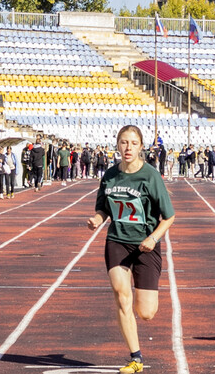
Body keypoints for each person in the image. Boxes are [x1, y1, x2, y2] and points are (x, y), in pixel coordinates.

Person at [87, 125, 176, 374]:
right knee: (121, 295)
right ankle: (136, 358)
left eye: (133, 143)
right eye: (124, 142)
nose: (128, 148)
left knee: (146, 312)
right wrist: (97, 219)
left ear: (141, 146)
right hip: (117, 240)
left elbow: (169, 217)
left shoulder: (150, 176)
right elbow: (103, 207)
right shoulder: (110, 175)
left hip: (145, 245)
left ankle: (141, 302)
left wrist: (154, 239)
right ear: (117, 145)